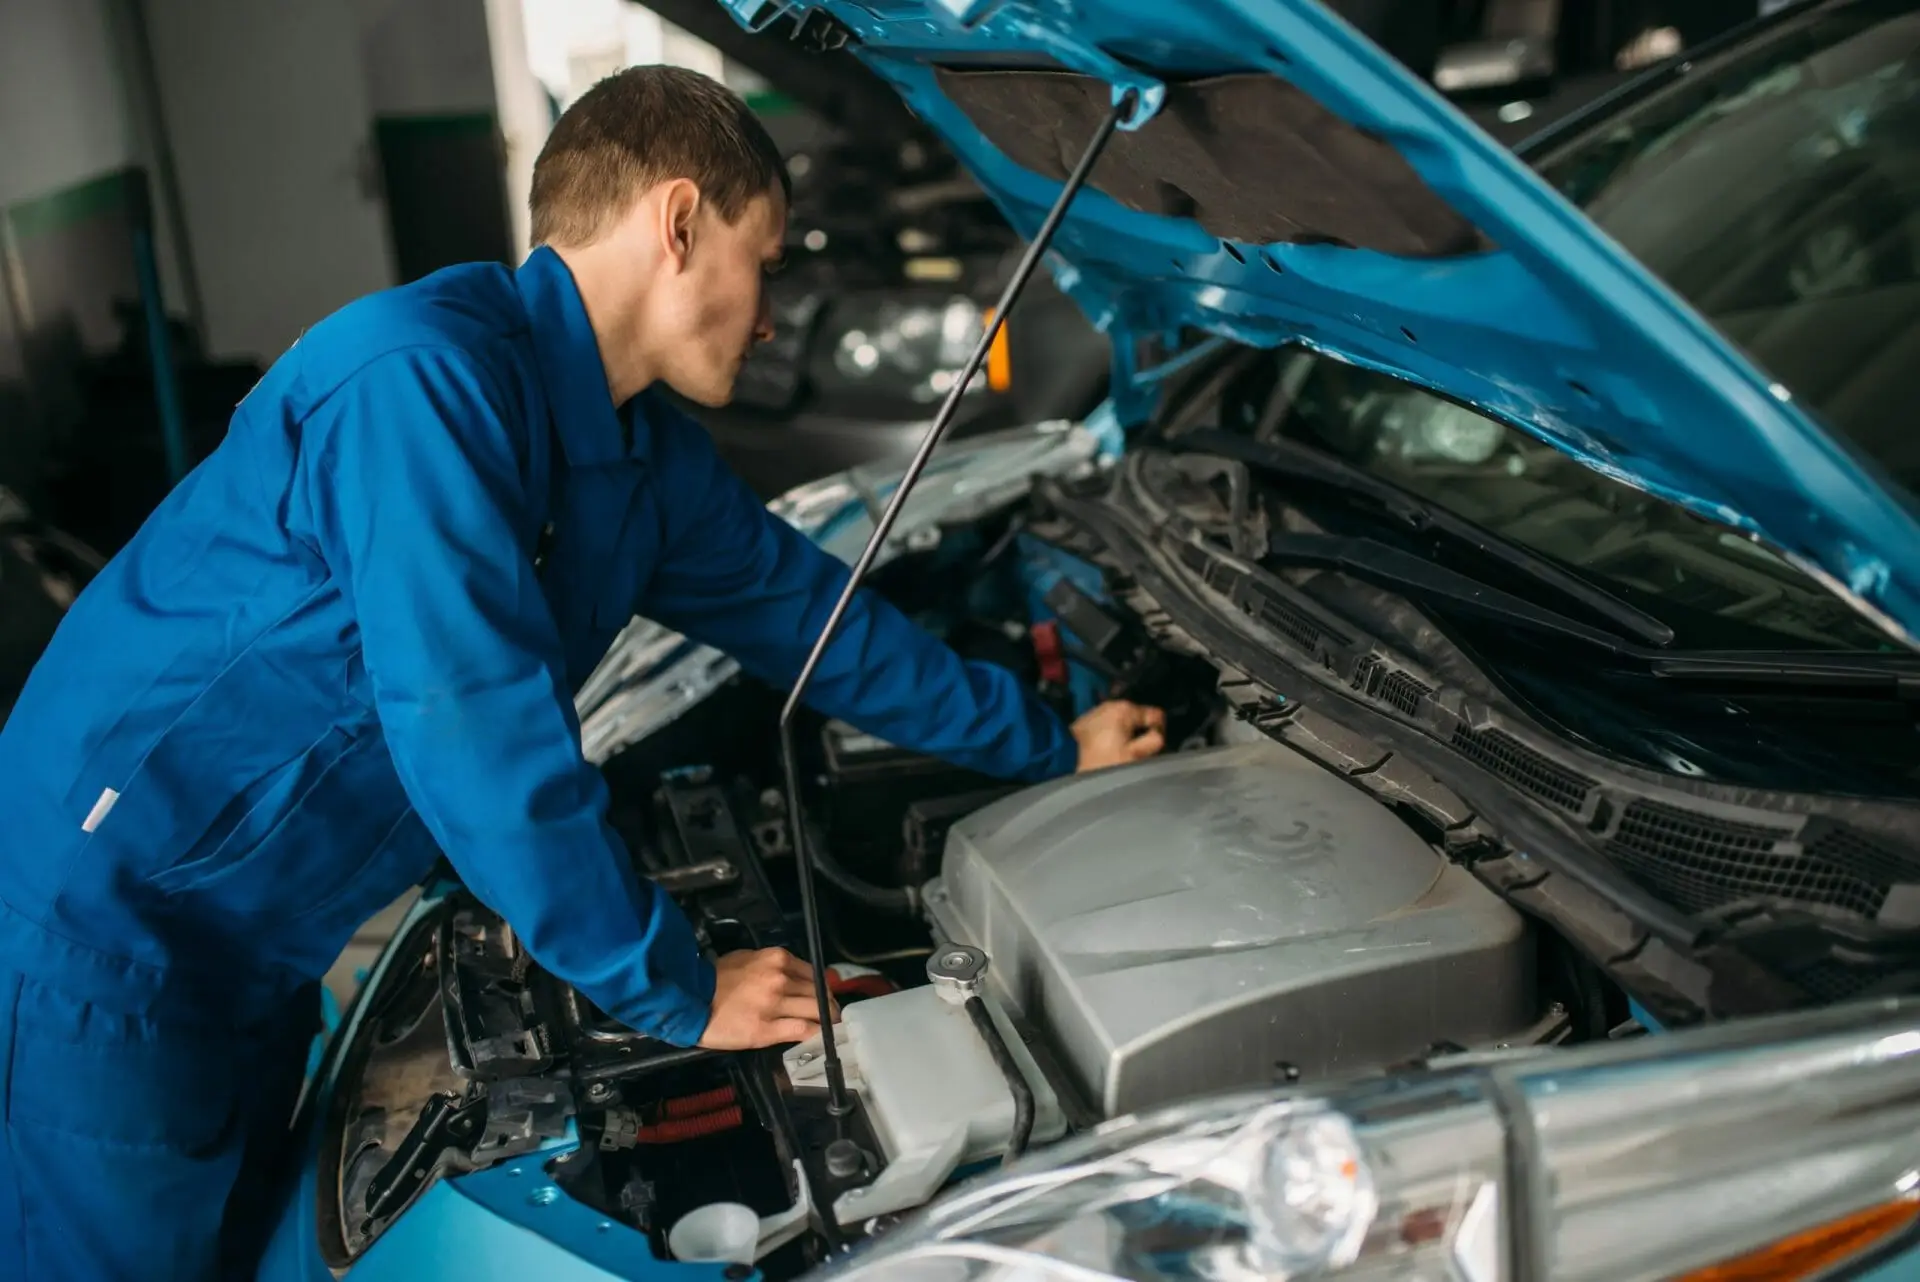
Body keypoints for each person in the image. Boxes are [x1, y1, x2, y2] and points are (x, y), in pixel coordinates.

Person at [0, 65, 1165, 1280]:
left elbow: (820, 624)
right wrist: (673, 985)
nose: (770, 313)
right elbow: (474, 724)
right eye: (765, 260)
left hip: (259, 943)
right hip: (103, 941)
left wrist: (1050, 744)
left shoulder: (640, 460)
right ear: (676, 222)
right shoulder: (417, 384)